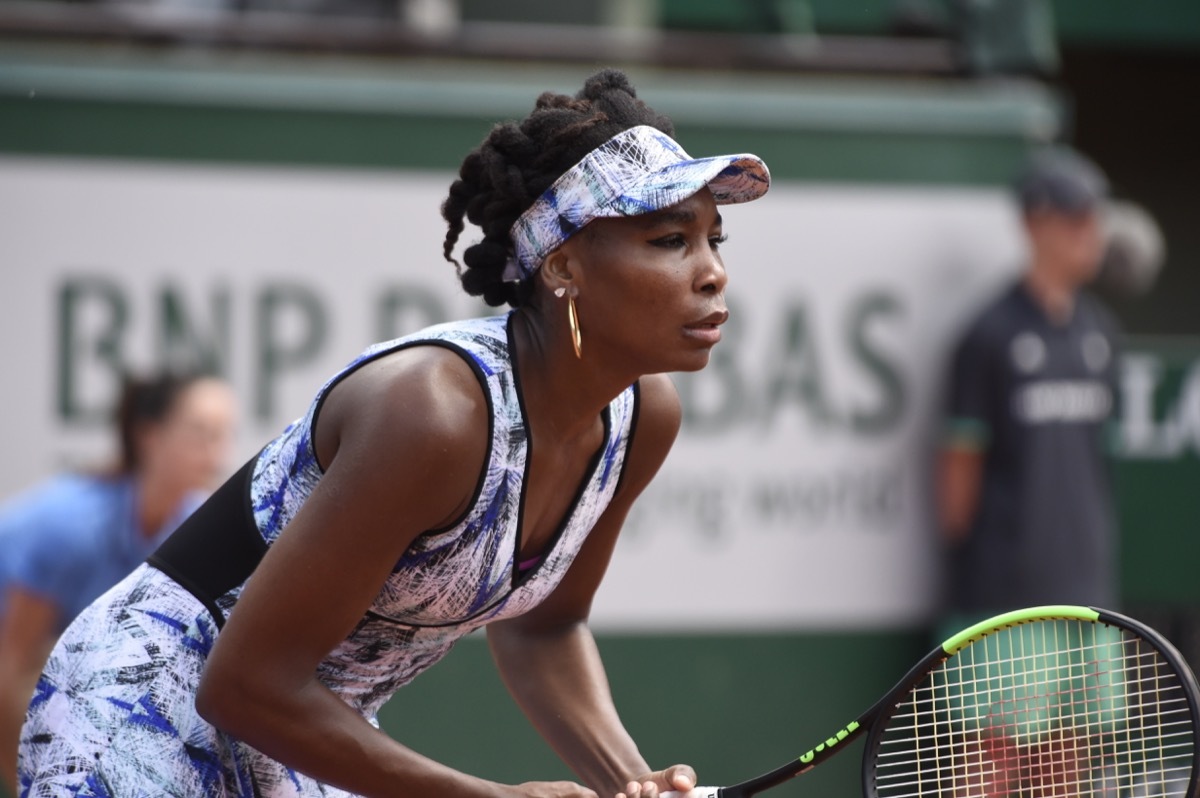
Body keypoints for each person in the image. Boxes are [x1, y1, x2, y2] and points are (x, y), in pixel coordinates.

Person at [17, 68, 771, 798]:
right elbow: (246, 684)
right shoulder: (432, 414)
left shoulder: (644, 420)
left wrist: (632, 786)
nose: (711, 273)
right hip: (140, 714)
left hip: (304, 728)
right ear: (564, 265)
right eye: (671, 240)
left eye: (714, 240)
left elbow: (544, 629)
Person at [934, 146, 1121, 797]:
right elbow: (956, 482)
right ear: (1035, 222)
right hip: (1002, 604)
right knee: (990, 770)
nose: (1089, 234)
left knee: (1065, 774)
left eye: (1095, 219)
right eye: (1075, 218)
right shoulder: (987, 336)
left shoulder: (1100, 333)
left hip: (1087, 597)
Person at [0, 370, 237, 789]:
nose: (214, 452)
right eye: (199, 432)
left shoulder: (198, 523)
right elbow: (10, 668)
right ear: (149, 436)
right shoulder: (68, 528)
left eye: (221, 435)